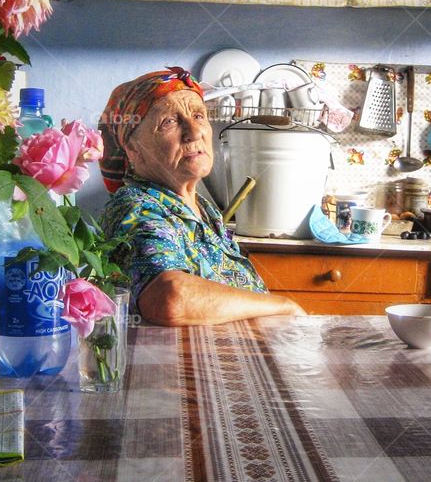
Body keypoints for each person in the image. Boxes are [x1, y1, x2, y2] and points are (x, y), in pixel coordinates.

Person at [99, 66, 306, 326]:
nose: (194, 132)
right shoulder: (136, 206)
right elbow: (171, 298)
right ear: (133, 149)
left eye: (198, 116)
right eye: (169, 122)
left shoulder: (201, 208)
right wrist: (283, 305)